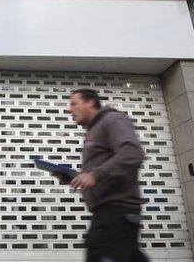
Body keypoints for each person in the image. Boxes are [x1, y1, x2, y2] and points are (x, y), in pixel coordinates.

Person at [54, 88, 148, 262]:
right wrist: (72, 177)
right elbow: (99, 171)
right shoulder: (94, 130)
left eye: (74, 103)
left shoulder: (111, 120)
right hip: (111, 213)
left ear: (90, 102)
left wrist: (95, 175)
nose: (69, 109)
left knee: (99, 253)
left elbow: (132, 153)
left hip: (116, 212)